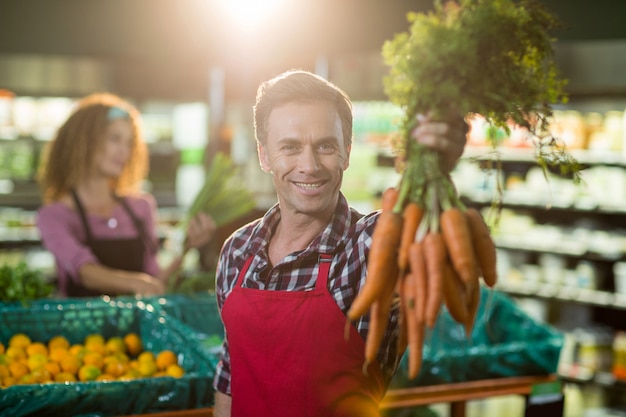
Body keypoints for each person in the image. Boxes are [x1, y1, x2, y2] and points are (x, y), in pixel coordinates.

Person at [212, 70, 467, 416]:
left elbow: (422, 230)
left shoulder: (366, 248)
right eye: (290, 147)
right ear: (265, 156)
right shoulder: (236, 252)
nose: (310, 165)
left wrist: (433, 160)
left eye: (325, 146)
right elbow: (230, 377)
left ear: (346, 152)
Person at [36, 93, 216, 297]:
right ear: (83, 141)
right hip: (83, 328)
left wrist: (186, 249)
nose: (124, 151)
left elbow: (155, 280)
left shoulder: (141, 207)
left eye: (129, 143)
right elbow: (85, 272)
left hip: (137, 329)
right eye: (115, 139)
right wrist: (137, 283)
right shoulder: (54, 216)